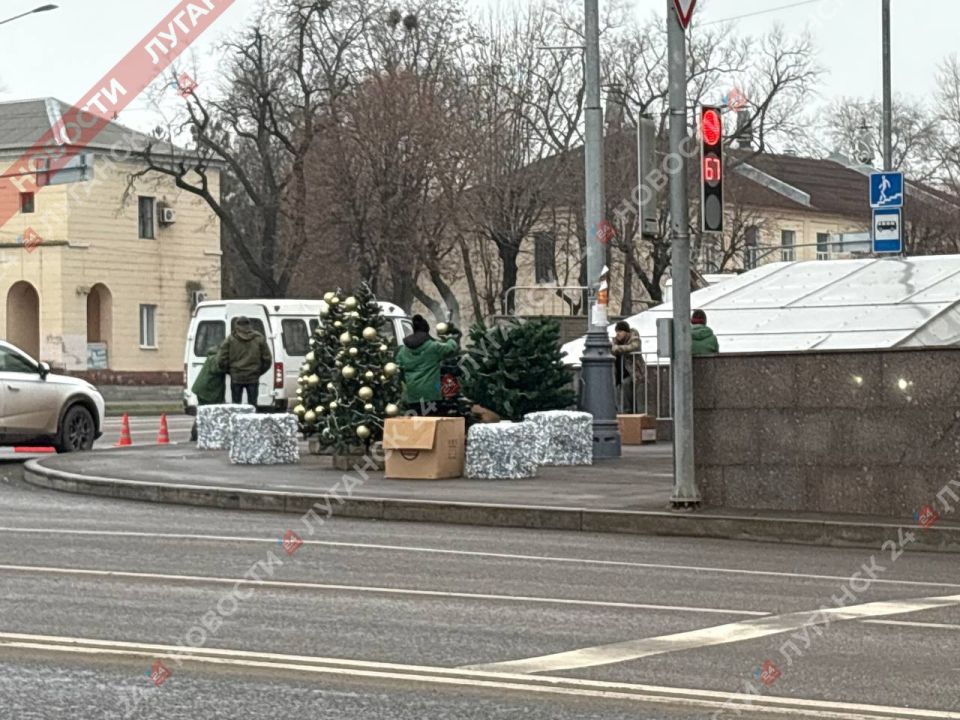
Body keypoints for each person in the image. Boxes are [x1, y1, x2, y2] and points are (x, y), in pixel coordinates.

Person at [395, 314, 459, 414]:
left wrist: (408, 383)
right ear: (426, 331)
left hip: (412, 395)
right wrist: (449, 337)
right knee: (432, 424)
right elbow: (451, 347)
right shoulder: (433, 347)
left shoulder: (403, 351)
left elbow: (399, 371)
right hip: (432, 394)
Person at [217, 316, 272, 407]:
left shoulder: (230, 339)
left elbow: (221, 360)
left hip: (236, 376)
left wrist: (230, 371)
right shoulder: (259, 338)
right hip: (253, 376)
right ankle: (253, 420)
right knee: (253, 405)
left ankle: (237, 420)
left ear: (236, 326)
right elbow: (267, 359)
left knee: (236, 406)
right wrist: (258, 371)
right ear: (249, 325)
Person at [189, 348, 227, 441]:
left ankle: (196, 435)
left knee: (203, 413)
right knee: (204, 413)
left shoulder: (211, 357)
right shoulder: (215, 359)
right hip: (207, 391)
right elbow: (217, 369)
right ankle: (195, 435)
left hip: (203, 390)